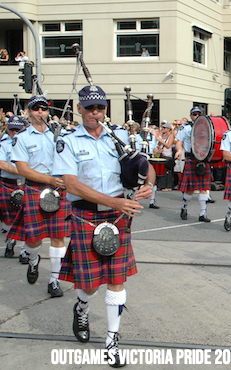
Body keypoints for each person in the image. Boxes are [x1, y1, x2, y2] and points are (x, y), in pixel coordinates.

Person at [54, 85, 155, 368]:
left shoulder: (119, 137)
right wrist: (113, 202)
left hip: (117, 217)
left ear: (105, 109)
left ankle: (112, 340)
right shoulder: (68, 142)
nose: (94, 113)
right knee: (89, 285)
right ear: (79, 109)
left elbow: (146, 166)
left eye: (99, 108)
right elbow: (71, 184)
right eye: (89, 108)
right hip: (86, 216)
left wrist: (149, 184)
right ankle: (82, 307)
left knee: (116, 280)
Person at [8, 95, 71, 298]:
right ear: (29, 112)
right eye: (36, 109)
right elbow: (22, 169)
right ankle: (33, 260)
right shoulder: (22, 138)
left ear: (48, 112)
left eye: (43, 109)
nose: (40, 112)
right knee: (33, 240)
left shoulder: (58, 135)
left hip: (58, 189)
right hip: (35, 188)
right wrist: (49, 179)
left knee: (58, 237)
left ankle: (54, 280)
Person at [174, 107, 212, 222]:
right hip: (191, 158)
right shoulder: (185, 127)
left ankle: (203, 213)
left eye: (199, 114)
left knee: (204, 188)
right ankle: (184, 207)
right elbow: (178, 141)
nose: (197, 116)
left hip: (203, 158)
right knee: (190, 189)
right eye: (194, 114)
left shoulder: (207, 126)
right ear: (190, 115)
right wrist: (179, 151)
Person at [0, 116, 26, 259]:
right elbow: (2, 164)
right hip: (8, 183)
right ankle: (10, 241)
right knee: (8, 220)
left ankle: (24, 251)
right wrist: (22, 171)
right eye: (12, 129)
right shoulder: (4, 143)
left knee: (25, 218)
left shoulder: (28, 142)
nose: (15, 132)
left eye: (18, 129)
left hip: (25, 184)